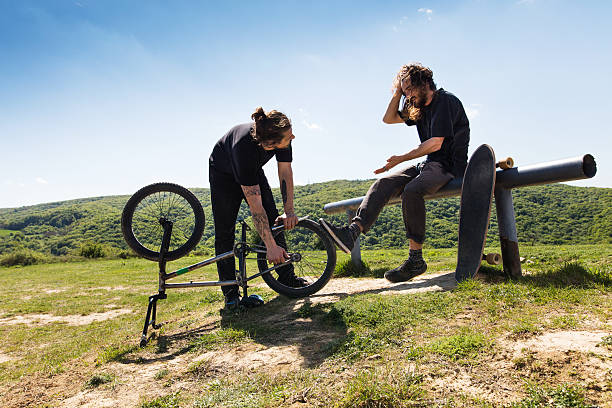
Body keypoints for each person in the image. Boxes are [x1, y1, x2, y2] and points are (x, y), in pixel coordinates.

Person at [320, 63, 470, 282]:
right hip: (429, 164)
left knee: (412, 190)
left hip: (449, 165)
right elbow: (388, 118)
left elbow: (436, 144)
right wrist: (398, 91)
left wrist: (401, 158)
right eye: (404, 90)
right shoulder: (419, 107)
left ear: (424, 83)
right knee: (383, 183)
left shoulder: (444, 101)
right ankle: (352, 232)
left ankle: (415, 260)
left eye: (409, 89)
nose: (407, 95)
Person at [209, 107, 307, 309]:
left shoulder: (281, 136)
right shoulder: (244, 148)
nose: (293, 137)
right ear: (271, 143)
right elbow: (256, 207)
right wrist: (269, 246)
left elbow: (285, 172)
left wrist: (288, 210)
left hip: (252, 170)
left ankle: (287, 278)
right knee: (225, 231)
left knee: (274, 219)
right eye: (290, 136)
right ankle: (230, 294)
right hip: (223, 174)